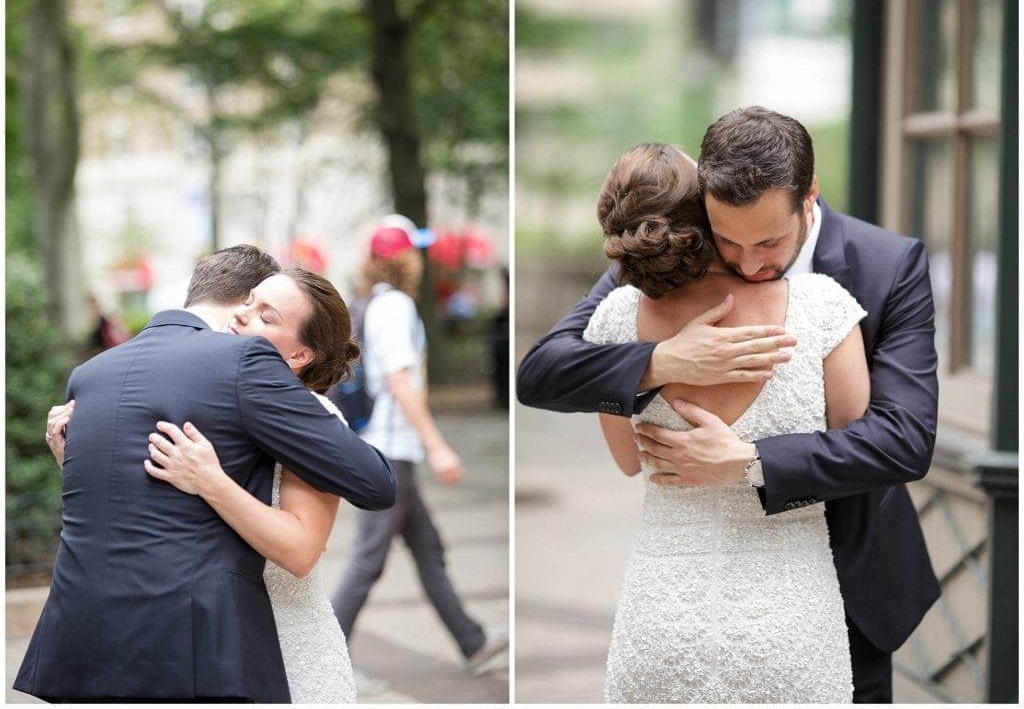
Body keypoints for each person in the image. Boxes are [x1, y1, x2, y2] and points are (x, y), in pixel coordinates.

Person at [517, 107, 940, 703]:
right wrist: (665, 361)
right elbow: (541, 373)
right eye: (728, 240)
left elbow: (903, 440)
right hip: (678, 593)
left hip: (854, 579)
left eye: (769, 242)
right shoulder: (664, 267)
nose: (746, 263)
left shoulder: (887, 266)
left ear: (808, 196)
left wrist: (749, 460)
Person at [15, 245, 396, 703]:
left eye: (265, 314)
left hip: (116, 642)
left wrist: (211, 482)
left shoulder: (93, 374)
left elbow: (312, 537)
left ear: (300, 354)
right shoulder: (234, 368)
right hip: (205, 643)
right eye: (250, 303)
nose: (244, 319)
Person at [580, 142, 866, 700]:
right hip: (789, 614)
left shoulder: (616, 316)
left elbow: (625, 462)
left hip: (662, 613)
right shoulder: (819, 305)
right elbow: (857, 454)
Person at [330, 215, 509, 677]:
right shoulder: (395, 309)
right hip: (390, 450)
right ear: (403, 259)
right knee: (369, 559)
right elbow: (398, 381)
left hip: (384, 447)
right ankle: (322, 652)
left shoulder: (368, 303)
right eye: (416, 251)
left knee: (427, 547)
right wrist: (438, 445)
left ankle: (471, 640)